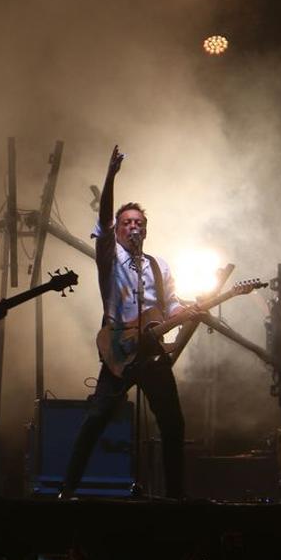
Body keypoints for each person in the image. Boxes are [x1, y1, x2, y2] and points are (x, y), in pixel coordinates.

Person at [59, 146, 196, 500]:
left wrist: (182, 314)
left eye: (139, 223)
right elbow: (104, 218)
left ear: (146, 230)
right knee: (97, 420)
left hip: (151, 351)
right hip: (119, 348)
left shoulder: (158, 265)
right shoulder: (109, 256)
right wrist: (110, 177)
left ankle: (176, 495)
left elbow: (170, 304)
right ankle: (67, 489)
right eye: (127, 223)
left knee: (172, 423)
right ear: (118, 230)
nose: (133, 227)